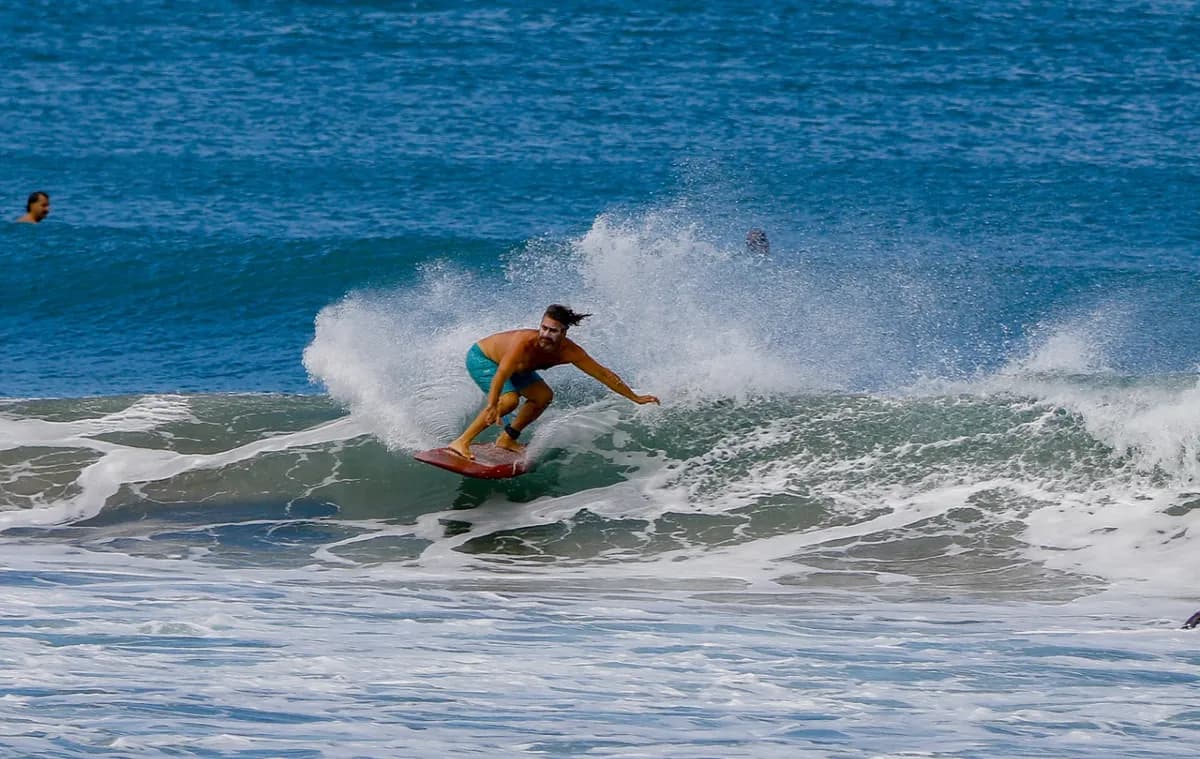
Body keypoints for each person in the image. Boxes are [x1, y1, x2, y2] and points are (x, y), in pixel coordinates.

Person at [448, 304, 660, 460]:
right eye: (544, 328)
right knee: (510, 401)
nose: (546, 334)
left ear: (564, 332)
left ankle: (507, 439)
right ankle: (461, 442)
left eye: (553, 330)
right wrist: (493, 403)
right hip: (483, 359)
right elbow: (502, 373)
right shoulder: (524, 343)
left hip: (519, 369)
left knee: (542, 397)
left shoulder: (570, 352)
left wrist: (635, 397)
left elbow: (603, 374)